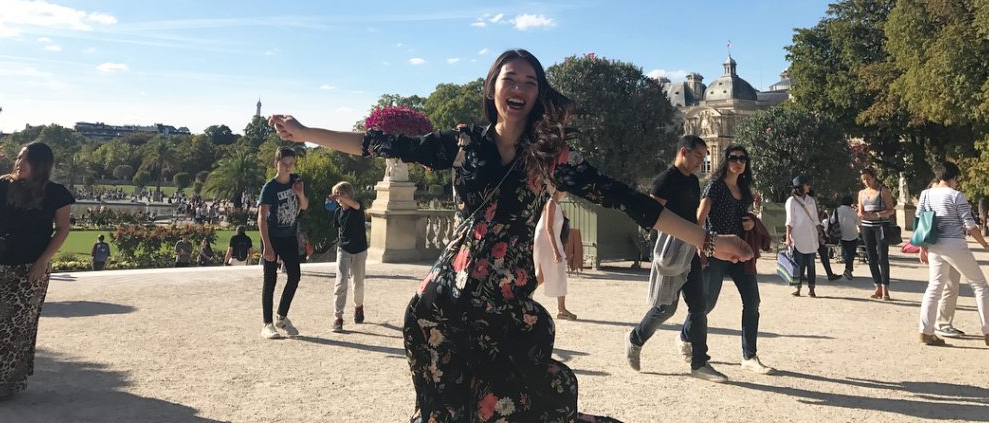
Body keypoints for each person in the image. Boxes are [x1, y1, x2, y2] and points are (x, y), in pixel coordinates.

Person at [270, 49, 752, 423]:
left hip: (503, 301)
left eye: (529, 81)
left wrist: (706, 240)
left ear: (538, 94)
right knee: (446, 409)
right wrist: (307, 131)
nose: (519, 87)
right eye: (510, 79)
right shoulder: (462, 144)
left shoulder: (552, 156)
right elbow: (378, 143)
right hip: (444, 300)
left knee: (540, 391)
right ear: (493, 89)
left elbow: (629, 200)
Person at [625, 135, 722, 381]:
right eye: (699, 156)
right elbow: (650, 216)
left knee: (699, 306)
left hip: (690, 249)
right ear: (684, 152)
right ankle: (636, 338)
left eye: (704, 157)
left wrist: (700, 245)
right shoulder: (665, 180)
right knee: (666, 308)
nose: (702, 161)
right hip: (669, 251)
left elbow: (693, 217)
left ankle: (699, 363)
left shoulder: (692, 181)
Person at [0, 143, 74, 400]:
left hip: (31, 269)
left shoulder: (56, 193)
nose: (19, 163)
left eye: (25, 160)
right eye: (18, 158)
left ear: (40, 164)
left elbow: (62, 230)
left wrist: (43, 261)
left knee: (18, 328)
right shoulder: (3, 186)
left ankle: (3, 384)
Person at [915, 161, 989, 347]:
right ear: (954, 177)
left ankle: (926, 331)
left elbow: (921, 221)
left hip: (935, 244)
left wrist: (923, 247)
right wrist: (985, 245)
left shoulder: (926, 194)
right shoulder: (956, 196)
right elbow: (969, 225)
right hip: (955, 243)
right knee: (979, 285)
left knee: (934, 288)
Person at [696, 145, 774, 374]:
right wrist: (697, 244)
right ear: (725, 161)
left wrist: (750, 221)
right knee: (706, 303)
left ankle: (749, 355)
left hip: (739, 252)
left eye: (742, 158)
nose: (738, 162)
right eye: (733, 158)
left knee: (752, 302)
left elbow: (744, 216)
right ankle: (686, 337)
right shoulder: (715, 186)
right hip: (716, 250)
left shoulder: (744, 190)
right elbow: (701, 215)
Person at [258, 146, 309, 339]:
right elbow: (261, 218)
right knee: (270, 280)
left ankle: (282, 316)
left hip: (289, 236)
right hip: (271, 237)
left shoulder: (296, 181)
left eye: (291, 164)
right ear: (276, 164)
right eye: (284, 164)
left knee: (294, 276)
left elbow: (304, 206)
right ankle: (267, 323)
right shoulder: (269, 188)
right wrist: (267, 246)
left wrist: (300, 193)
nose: (288, 167)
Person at [326, 180, 368, 333]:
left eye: (341, 193)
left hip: (360, 249)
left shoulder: (357, 207)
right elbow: (339, 229)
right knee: (341, 282)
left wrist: (342, 197)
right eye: (336, 194)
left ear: (349, 194)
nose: (338, 197)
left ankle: (358, 307)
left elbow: (354, 205)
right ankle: (338, 317)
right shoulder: (338, 212)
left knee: (358, 283)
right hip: (344, 249)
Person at [533, 189, 576, 321]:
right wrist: (555, 251)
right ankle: (524, 296)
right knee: (542, 274)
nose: (567, 192)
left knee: (557, 272)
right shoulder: (551, 203)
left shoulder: (556, 205)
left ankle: (561, 309)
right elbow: (548, 228)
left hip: (553, 241)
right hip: (547, 242)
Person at [858, 168, 896, 300]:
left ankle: (885, 288)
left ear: (874, 177)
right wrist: (861, 214)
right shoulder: (862, 193)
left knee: (882, 257)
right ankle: (877, 286)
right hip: (867, 227)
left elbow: (891, 210)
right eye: (863, 179)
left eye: (868, 178)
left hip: (881, 226)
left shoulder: (883, 191)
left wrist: (878, 215)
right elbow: (860, 211)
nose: (866, 181)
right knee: (871, 257)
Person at [785, 174, 820, 297]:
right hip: (798, 236)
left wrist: (820, 234)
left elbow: (816, 219)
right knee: (798, 264)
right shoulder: (791, 201)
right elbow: (790, 221)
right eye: (807, 184)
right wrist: (788, 237)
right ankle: (798, 288)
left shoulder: (811, 200)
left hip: (811, 236)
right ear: (800, 187)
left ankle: (812, 288)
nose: (809, 186)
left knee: (811, 264)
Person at [831, 195, 860, 280]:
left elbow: (832, 221)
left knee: (846, 252)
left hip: (841, 234)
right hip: (852, 234)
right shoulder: (853, 211)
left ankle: (848, 269)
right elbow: (858, 222)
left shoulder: (837, 210)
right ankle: (848, 270)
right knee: (851, 254)